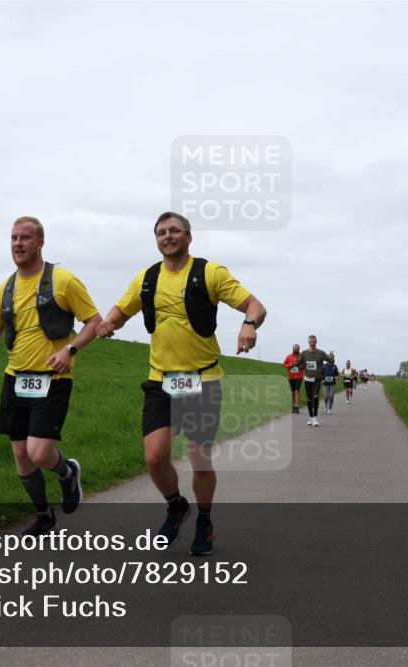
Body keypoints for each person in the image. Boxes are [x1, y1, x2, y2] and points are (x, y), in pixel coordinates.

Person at [96, 212, 266, 556]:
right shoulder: (147, 278)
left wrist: (249, 324)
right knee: (155, 456)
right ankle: (176, 507)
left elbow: (255, 305)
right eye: (161, 232)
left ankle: (204, 519)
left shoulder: (209, 273)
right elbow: (121, 310)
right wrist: (108, 323)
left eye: (174, 231)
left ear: (189, 237)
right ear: (156, 239)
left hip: (203, 379)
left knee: (199, 456)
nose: (167, 236)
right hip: (162, 380)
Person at [0, 216, 101, 537]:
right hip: (15, 378)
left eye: (25, 238)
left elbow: (94, 322)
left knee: (39, 453)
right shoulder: (5, 288)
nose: (17, 244)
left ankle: (68, 473)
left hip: (52, 380)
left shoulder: (64, 281)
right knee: (20, 455)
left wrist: (69, 351)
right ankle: (44, 516)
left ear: (40, 243)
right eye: (13, 238)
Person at [297, 336, 334, 427]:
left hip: (317, 379)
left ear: (316, 342)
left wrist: (331, 357)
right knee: (309, 398)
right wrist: (297, 362)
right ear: (308, 342)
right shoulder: (304, 353)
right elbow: (298, 364)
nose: (311, 344)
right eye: (310, 342)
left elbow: (331, 362)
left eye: (313, 342)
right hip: (307, 378)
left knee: (315, 397)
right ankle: (310, 416)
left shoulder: (321, 353)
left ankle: (315, 417)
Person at [283, 344, 303, 413]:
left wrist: (301, 366)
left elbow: (304, 365)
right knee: (293, 392)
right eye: (295, 348)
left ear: (299, 349)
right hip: (291, 377)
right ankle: (294, 405)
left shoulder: (301, 356)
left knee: (297, 391)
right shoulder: (289, 356)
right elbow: (284, 365)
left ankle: (297, 406)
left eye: (297, 348)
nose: (296, 349)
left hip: (299, 376)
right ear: (293, 348)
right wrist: (290, 365)